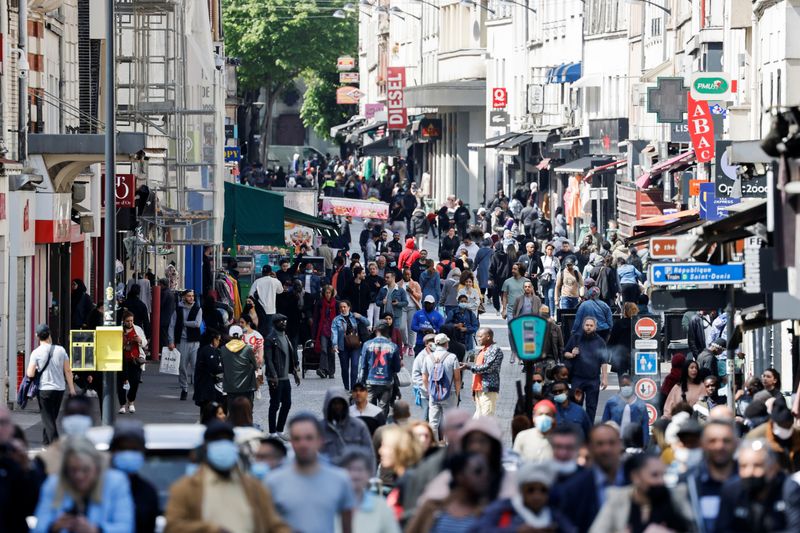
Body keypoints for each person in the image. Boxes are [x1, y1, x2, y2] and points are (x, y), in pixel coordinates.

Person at [165, 420, 289, 533]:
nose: (223, 446)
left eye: (227, 440)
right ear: (206, 447)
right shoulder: (185, 488)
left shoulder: (253, 487)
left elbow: (273, 524)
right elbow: (172, 527)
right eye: (217, 441)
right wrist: (210, 529)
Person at [266, 413, 356, 533]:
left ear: (320, 440)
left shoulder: (340, 479)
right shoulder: (273, 482)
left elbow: (347, 527)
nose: (303, 444)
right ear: (291, 442)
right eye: (297, 438)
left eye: (309, 438)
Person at [33, 437, 134, 533]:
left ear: (97, 469)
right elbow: (39, 526)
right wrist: (55, 527)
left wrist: (95, 530)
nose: (79, 476)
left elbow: (125, 527)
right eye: (73, 470)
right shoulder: (53, 484)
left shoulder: (116, 482)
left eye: (85, 470)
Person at [590, 452, 692, 533]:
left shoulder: (675, 497)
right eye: (654, 475)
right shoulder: (618, 498)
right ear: (635, 477)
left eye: (663, 474)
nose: (661, 481)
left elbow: (696, 528)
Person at [552, 424, 625, 533]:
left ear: (620, 445)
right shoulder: (574, 488)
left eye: (611, 443)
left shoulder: (636, 480)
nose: (606, 449)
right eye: (600, 444)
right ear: (590, 448)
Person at [477, 461, 577, 532]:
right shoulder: (502, 508)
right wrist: (516, 530)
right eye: (531, 490)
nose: (537, 496)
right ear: (521, 491)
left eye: (543, 491)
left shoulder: (553, 516)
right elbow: (480, 530)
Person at [677, 419, 738, 533]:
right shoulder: (689, 482)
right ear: (703, 444)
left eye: (726, 441)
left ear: (736, 443)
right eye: (712, 441)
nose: (720, 446)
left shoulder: (748, 480)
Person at [406, 452, 490, 533]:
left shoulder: (487, 514)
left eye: (487, 471)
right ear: (460, 476)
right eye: (478, 471)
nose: (484, 476)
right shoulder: (432, 508)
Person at [716, 439, 789, 533]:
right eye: (743, 466)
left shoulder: (788, 489)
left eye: (757, 466)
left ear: (773, 468)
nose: (749, 472)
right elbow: (723, 529)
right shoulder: (731, 490)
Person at [26, 324, 76, 445]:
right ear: (49, 334)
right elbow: (68, 371)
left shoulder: (36, 352)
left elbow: (30, 373)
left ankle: (55, 444)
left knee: (48, 419)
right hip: (59, 389)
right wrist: (72, 389)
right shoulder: (61, 350)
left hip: (44, 389)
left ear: (37, 336)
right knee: (51, 418)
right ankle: (46, 443)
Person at [109, 421, 159, 533]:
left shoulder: (148, 492)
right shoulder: (96, 488)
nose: (128, 454)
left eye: (134, 450)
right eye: (123, 449)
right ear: (113, 451)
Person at [337, 448, 400, 533]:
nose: (355, 475)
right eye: (350, 469)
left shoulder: (381, 507)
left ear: (369, 474)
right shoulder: (331, 505)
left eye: (360, 470)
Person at [563, 317, 609, 421]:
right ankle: (577, 426)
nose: (588, 327)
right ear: (583, 326)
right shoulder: (576, 338)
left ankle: (589, 428)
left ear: (595, 327)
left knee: (591, 406)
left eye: (591, 326)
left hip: (593, 379)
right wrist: (571, 354)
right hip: (577, 378)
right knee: (576, 404)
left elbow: (604, 361)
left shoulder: (600, 341)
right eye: (587, 325)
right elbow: (565, 353)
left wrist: (605, 378)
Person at [264, 314, 300, 438]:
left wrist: (294, 371)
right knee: (274, 404)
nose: (284, 323)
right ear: (274, 324)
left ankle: (280, 429)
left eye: (285, 321)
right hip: (275, 377)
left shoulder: (286, 337)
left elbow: (290, 356)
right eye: (280, 321)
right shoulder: (270, 339)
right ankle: (272, 432)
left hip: (285, 377)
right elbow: (268, 359)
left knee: (287, 403)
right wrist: (273, 375)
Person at [321, 388, 375, 464]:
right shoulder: (318, 428)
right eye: (334, 403)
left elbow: (370, 455)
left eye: (340, 403)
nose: (337, 407)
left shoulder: (358, 426)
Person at [424, 333, 462, 441]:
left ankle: (433, 446)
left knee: (433, 422)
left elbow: (424, 377)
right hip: (449, 393)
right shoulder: (452, 357)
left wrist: (429, 391)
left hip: (434, 394)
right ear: (446, 343)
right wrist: (457, 393)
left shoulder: (428, 357)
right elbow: (457, 378)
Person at [359, 322, 402, 418]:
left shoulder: (367, 345)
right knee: (383, 408)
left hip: (370, 381)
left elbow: (363, 367)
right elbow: (397, 368)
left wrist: (361, 383)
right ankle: (381, 427)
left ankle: (372, 428)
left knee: (369, 409)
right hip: (386, 381)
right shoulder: (393, 346)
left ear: (376, 330)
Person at [169, 289, 203, 401]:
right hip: (181, 341)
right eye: (189, 296)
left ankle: (197, 390)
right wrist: (171, 341)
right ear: (184, 297)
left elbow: (197, 324)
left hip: (194, 342)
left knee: (195, 367)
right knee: (182, 367)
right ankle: (184, 389)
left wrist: (184, 323)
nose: (191, 298)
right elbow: (172, 326)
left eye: (192, 296)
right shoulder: (178, 309)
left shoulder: (198, 309)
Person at [463, 327, 504, 418]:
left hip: (487, 389)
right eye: (477, 336)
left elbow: (488, 367)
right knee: (477, 419)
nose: (478, 339)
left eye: (480, 336)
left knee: (486, 419)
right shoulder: (482, 350)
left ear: (488, 337)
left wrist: (468, 366)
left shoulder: (495, 350)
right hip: (478, 389)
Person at [331, 300, 371, 391]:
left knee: (355, 365)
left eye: (345, 307)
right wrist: (335, 344)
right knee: (344, 368)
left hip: (355, 345)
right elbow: (334, 333)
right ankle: (346, 386)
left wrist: (360, 316)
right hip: (343, 346)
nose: (343, 309)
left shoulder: (355, 317)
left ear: (349, 307)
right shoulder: (336, 320)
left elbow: (367, 323)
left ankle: (353, 387)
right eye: (341, 307)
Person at [601, 374, 650, 446]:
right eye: (623, 386)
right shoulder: (611, 402)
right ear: (620, 387)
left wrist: (644, 444)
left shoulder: (640, 405)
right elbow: (605, 422)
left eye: (628, 385)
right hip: (616, 441)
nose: (626, 387)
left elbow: (645, 426)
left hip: (634, 442)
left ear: (632, 386)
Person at [220, 325, 258, 411]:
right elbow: (256, 366)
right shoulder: (248, 349)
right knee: (247, 413)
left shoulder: (223, 349)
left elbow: (223, 365)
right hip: (247, 387)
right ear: (241, 336)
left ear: (230, 336)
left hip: (230, 387)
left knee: (232, 413)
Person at [193, 329, 225, 415]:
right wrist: (226, 369)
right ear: (214, 340)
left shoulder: (205, 349)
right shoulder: (208, 350)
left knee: (205, 411)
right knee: (207, 411)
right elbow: (214, 367)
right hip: (206, 386)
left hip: (204, 385)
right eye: (218, 339)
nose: (219, 342)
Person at [607, 302, 637, 380]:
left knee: (622, 376)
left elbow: (613, 339)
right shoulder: (637, 323)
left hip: (621, 354)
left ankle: (624, 391)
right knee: (634, 376)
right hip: (635, 353)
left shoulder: (619, 323)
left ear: (624, 311)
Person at [314, 284, 338, 379]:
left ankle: (331, 372)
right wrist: (314, 332)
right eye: (326, 293)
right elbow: (316, 318)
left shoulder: (336, 303)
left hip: (333, 330)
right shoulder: (319, 303)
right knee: (323, 349)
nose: (327, 294)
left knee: (331, 351)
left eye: (329, 293)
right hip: (323, 329)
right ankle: (324, 369)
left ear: (332, 294)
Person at [539, 243, 560, 313]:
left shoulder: (555, 259)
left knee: (551, 296)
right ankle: (546, 313)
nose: (550, 251)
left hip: (552, 279)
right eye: (548, 249)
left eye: (551, 249)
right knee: (546, 297)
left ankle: (552, 314)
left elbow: (558, 270)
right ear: (545, 250)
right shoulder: (542, 258)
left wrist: (558, 279)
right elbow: (539, 269)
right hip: (544, 279)